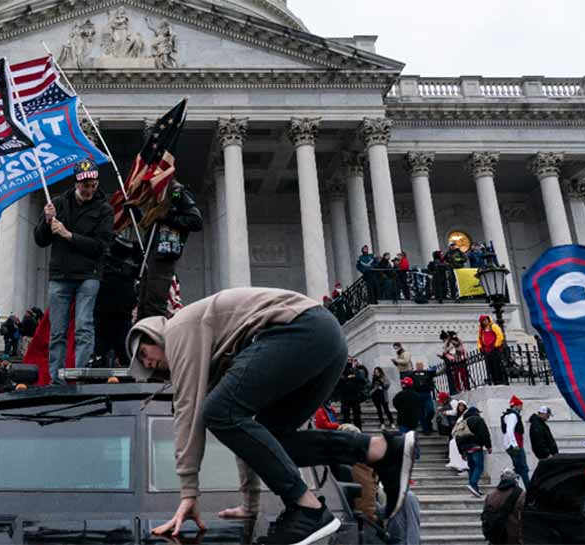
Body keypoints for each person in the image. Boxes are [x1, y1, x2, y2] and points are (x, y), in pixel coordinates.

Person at [126, 287, 416, 544]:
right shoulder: (214, 353)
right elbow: (248, 438)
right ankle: (380, 450)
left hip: (301, 330)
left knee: (216, 411)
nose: (148, 363)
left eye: (143, 354)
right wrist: (251, 504)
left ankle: (308, 509)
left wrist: (188, 493)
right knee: (272, 438)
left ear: (152, 334)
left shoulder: (178, 329)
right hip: (324, 339)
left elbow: (188, 413)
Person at [34, 158, 114, 384]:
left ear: (96, 183)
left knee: (83, 327)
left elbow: (101, 247)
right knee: (57, 332)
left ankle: (81, 378)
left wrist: (68, 235)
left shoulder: (104, 209)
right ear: (76, 182)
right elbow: (40, 240)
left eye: (92, 185)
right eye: (84, 185)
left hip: (88, 275)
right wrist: (47, 220)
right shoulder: (58, 203)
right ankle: (56, 380)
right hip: (60, 275)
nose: (88, 189)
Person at [136, 178, 202, 320]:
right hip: (150, 255)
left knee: (154, 305)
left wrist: (167, 216)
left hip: (164, 257)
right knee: (143, 304)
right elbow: (151, 225)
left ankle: (156, 339)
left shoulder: (177, 193)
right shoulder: (156, 198)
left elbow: (196, 221)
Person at [95, 236, 142, 367]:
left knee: (120, 348)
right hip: (109, 311)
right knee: (109, 347)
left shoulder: (128, 266)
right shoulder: (107, 262)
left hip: (119, 312)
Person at [455, 404, 492, 497]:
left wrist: (461, 452)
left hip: (466, 449)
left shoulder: (462, 422)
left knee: (472, 467)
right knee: (479, 467)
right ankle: (472, 483)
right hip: (476, 447)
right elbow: (485, 434)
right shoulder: (478, 420)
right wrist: (488, 446)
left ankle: (474, 488)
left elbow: (457, 438)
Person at [482, 468, 525, 545]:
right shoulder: (521, 495)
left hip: (495, 536)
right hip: (514, 537)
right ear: (515, 480)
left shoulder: (491, 496)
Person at [502, 396, 530, 487]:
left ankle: (510, 486)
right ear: (516, 406)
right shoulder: (513, 416)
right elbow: (510, 430)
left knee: (518, 469)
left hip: (511, 446)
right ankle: (529, 490)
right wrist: (514, 444)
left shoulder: (509, 415)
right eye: (520, 405)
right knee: (523, 469)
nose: (522, 407)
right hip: (515, 446)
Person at [478, 314, 507, 385]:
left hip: (495, 349)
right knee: (490, 366)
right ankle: (494, 380)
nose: (485, 321)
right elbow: (479, 340)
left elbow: (499, 335)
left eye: (486, 320)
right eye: (483, 321)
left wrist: (496, 345)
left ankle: (500, 380)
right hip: (487, 350)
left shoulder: (493, 326)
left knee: (497, 365)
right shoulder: (482, 330)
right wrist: (481, 348)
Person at [337, 360, 366, 429]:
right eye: (349, 361)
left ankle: (358, 430)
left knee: (356, 416)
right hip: (346, 398)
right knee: (346, 416)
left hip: (354, 397)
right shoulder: (342, 372)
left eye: (351, 360)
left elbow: (362, 381)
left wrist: (356, 371)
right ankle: (347, 431)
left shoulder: (357, 372)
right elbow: (339, 382)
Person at [411, 361, 436, 435]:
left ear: (422, 365)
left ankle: (428, 422)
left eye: (420, 365)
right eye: (417, 365)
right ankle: (425, 429)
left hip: (427, 394)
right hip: (417, 394)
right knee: (421, 414)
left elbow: (434, 374)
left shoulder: (427, 373)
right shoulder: (412, 374)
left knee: (431, 410)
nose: (419, 366)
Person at [445, 400, 469, 473]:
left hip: (463, 436)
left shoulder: (465, 415)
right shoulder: (458, 414)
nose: (461, 407)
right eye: (459, 405)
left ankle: (464, 468)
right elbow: (453, 412)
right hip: (457, 437)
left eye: (462, 406)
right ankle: (459, 466)